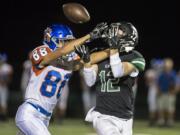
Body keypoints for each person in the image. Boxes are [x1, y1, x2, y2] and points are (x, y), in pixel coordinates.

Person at [15, 23, 108, 135]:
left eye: (69, 42)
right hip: (30, 113)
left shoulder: (67, 62)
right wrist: (89, 36)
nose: (67, 45)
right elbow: (61, 51)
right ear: (51, 40)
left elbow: (89, 59)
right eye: (64, 41)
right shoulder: (42, 51)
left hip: (45, 118)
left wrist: (112, 50)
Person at [75, 22, 145, 135]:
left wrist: (113, 49)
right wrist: (87, 63)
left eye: (119, 31)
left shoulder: (135, 57)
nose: (113, 34)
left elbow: (118, 72)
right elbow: (89, 81)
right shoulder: (101, 54)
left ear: (129, 36)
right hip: (103, 115)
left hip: (126, 117)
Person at [157, 58, 176, 127]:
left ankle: (169, 121)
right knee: (161, 108)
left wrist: (173, 91)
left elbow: (175, 84)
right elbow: (158, 83)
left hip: (170, 93)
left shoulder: (173, 74)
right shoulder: (161, 74)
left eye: (168, 65)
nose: (166, 66)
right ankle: (161, 121)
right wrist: (159, 91)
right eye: (165, 65)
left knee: (170, 108)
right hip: (162, 93)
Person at [144, 59, 163, 126]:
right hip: (152, 89)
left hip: (161, 90)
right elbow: (147, 83)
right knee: (152, 105)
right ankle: (152, 121)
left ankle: (160, 121)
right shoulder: (150, 72)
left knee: (160, 106)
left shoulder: (162, 72)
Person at [0, 53, 13, 121]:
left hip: (3, 86)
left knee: (3, 102)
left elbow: (9, 77)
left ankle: (4, 117)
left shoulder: (7, 67)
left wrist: (5, 82)